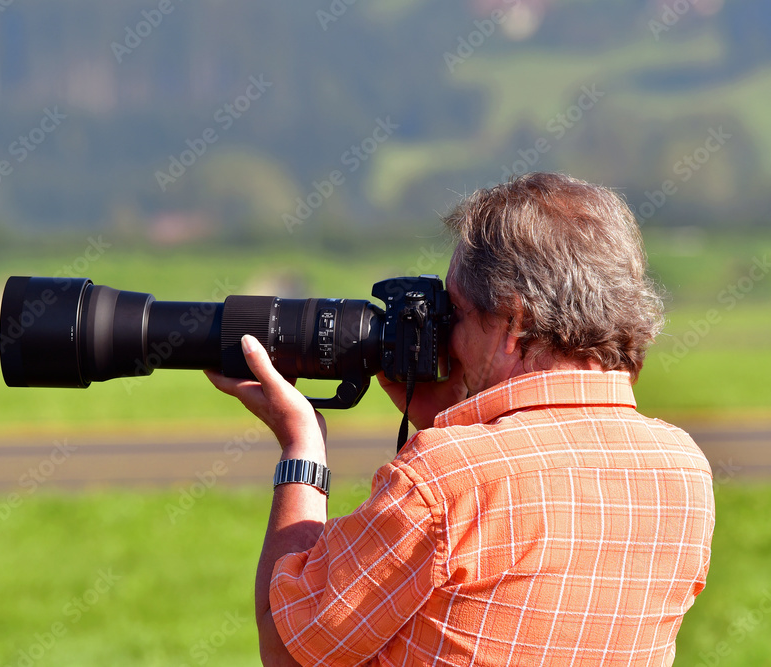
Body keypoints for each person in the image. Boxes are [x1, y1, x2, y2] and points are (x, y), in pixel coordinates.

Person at [205, 172, 715, 666]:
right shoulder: (683, 471)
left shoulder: (447, 477)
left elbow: (290, 648)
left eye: (453, 313)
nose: (441, 335)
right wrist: (449, 421)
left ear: (513, 320)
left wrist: (302, 445)